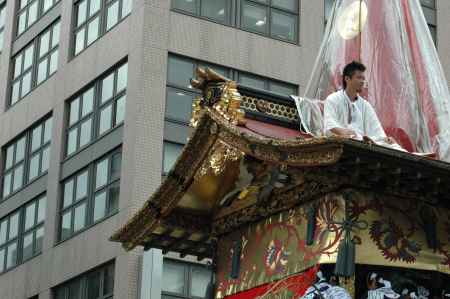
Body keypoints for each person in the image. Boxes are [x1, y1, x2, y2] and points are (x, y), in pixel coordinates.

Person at [323, 61, 403, 150]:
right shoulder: (333, 99)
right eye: (359, 78)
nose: (362, 82)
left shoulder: (365, 105)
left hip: (363, 145)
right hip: (343, 145)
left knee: (393, 146)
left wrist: (385, 140)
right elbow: (330, 125)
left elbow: (376, 131)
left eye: (363, 78)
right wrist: (346, 133)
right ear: (347, 79)